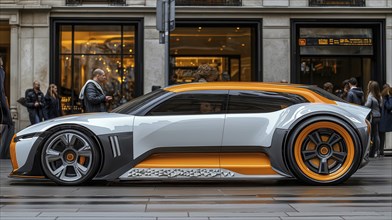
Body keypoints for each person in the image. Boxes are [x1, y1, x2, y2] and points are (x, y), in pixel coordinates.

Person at [0, 57, 14, 159]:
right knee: (10, 125)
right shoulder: (1, 71)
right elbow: (1, 89)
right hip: (1, 103)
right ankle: (3, 153)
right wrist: (5, 105)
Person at [364, 81, 381, 158]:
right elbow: (381, 105)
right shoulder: (379, 95)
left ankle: (369, 151)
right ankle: (377, 151)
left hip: (372, 116)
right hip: (378, 116)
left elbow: (367, 105)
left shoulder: (371, 95)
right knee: (376, 134)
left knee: (370, 134)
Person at [379, 84, 392, 157]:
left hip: (384, 118)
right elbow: (389, 106)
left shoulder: (383, 97)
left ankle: (381, 151)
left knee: (381, 135)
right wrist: (389, 97)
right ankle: (380, 151)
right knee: (381, 135)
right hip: (384, 119)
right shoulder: (385, 98)